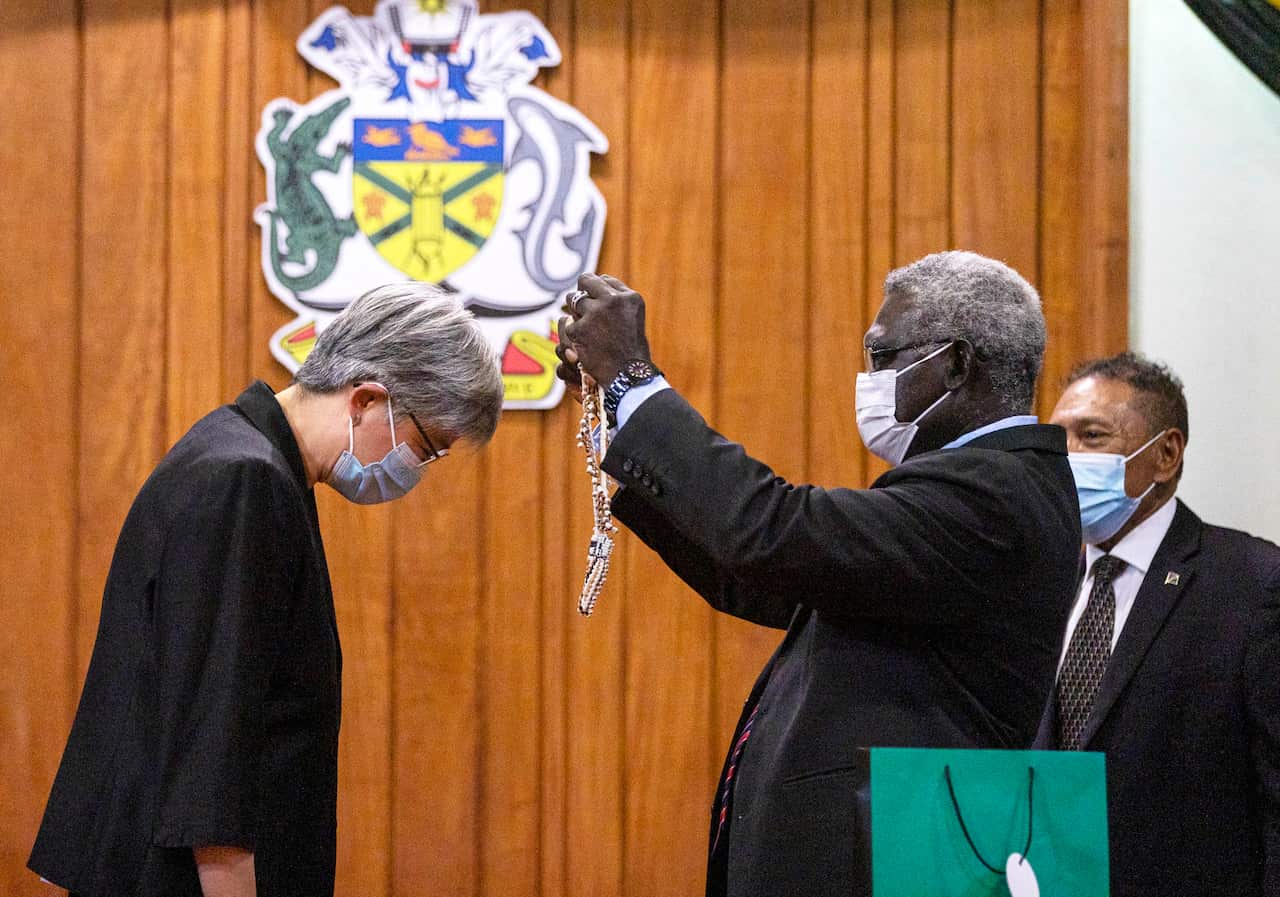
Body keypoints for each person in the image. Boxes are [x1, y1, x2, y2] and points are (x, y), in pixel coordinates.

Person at [555, 251, 1082, 897]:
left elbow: (777, 530)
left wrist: (637, 382)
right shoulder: (982, 487)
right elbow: (766, 576)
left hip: (904, 862)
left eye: (882, 356)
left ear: (955, 364)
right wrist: (618, 409)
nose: (868, 379)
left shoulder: (997, 492)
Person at [29, 283, 503, 897]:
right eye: (425, 449)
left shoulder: (241, 454)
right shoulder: (245, 482)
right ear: (366, 400)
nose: (415, 471)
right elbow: (214, 751)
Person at [1034, 352, 1280, 897]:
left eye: (1091, 436)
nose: (1067, 458)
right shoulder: (1036, 585)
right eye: (1057, 441)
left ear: (1165, 455)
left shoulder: (1253, 584)